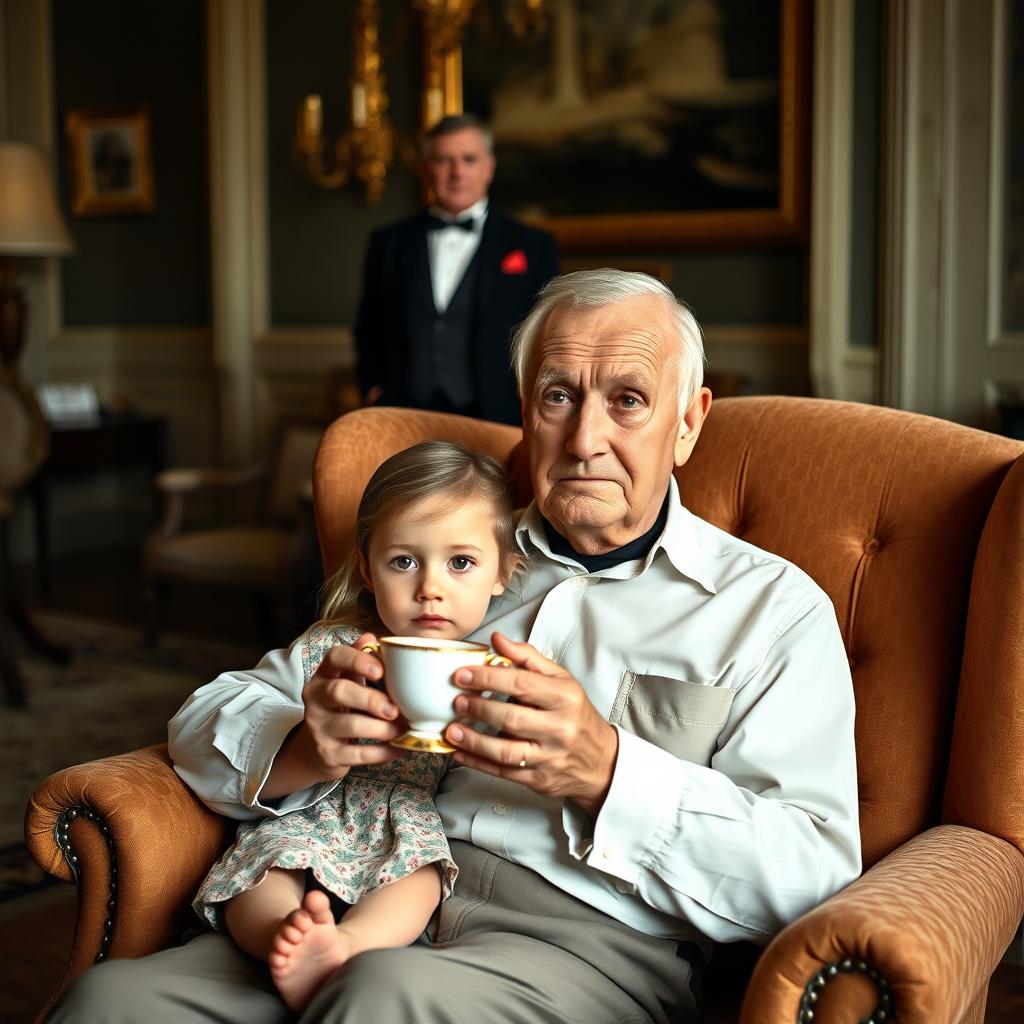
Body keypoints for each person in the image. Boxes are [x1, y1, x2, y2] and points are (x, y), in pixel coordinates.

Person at [51, 269, 861, 1024]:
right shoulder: (446, 557)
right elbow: (208, 716)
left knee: (380, 992)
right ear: (524, 409)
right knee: (110, 1003)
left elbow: (814, 875)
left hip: (586, 948)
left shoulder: (770, 610)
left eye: (627, 402)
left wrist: (607, 770)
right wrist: (304, 744)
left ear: (689, 422)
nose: (583, 439)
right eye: (557, 397)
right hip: (356, 898)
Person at [189, 440, 523, 1012]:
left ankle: (345, 946)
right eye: (403, 561)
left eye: (460, 562)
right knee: (263, 871)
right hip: (313, 812)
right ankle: (287, 942)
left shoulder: (497, 668)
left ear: (503, 572)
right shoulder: (334, 647)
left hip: (406, 822)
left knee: (419, 882)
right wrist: (298, 741)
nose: (430, 588)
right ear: (368, 569)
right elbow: (208, 712)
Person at [354, 113, 559, 426]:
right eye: (444, 160)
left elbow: (549, 332)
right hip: (402, 411)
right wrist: (371, 388)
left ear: (489, 167)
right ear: (425, 170)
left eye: (469, 159)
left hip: (497, 412)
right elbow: (368, 326)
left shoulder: (533, 244)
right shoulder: (389, 243)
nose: (457, 172)